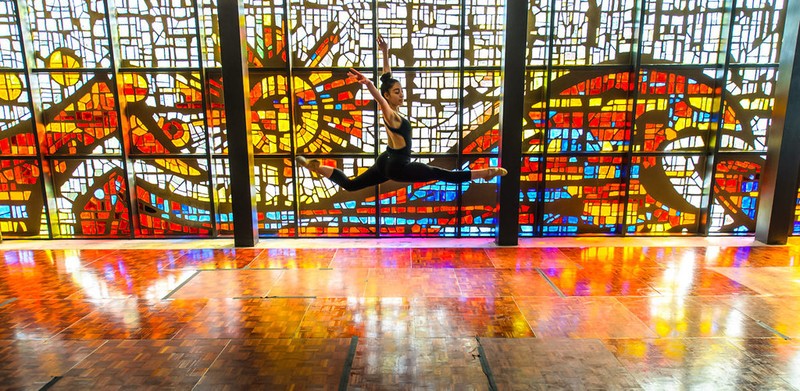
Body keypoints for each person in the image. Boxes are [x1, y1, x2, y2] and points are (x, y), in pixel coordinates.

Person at [296, 34, 507, 192]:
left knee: (351, 185)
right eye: (397, 92)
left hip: (385, 160)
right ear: (388, 96)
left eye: (401, 91)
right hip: (398, 166)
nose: (401, 95)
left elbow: (387, 78)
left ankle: (316, 167)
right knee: (441, 174)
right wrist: (368, 84)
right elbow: (380, 99)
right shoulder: (392, 115)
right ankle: (487, 173)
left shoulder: (393, 108)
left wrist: (385, 52)